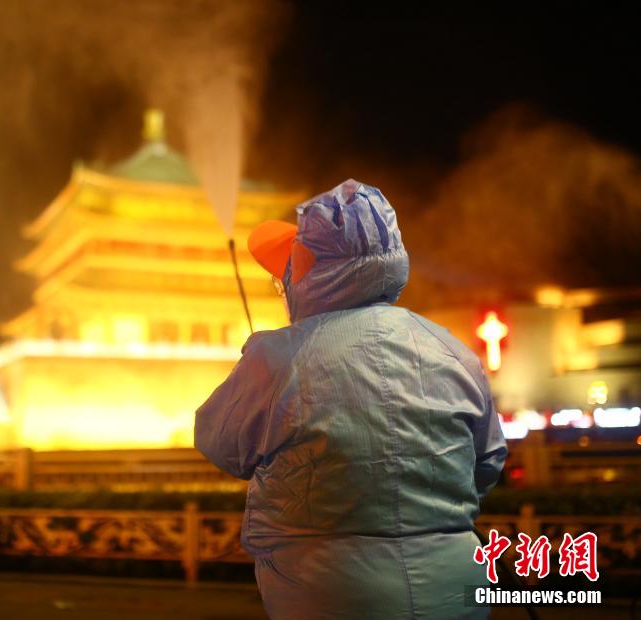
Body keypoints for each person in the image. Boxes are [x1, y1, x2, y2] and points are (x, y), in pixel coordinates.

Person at [195, 179, 507, 619]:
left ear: (309, 274)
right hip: (457, 589)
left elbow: (220, 444)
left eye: (287, 273)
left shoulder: (277, 356)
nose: (282, 285)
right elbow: (488, 462)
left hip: (327, 593)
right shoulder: (454, 351)